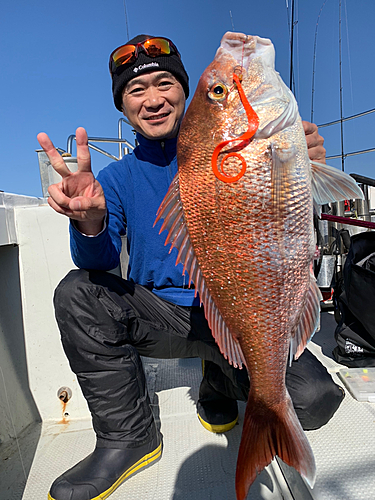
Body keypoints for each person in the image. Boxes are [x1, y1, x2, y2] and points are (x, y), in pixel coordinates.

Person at [37, 34, 344, 500]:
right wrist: (92, 220)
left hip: (237, 319)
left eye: (165, 83)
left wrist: (300, 161)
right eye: (136, 91)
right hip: (162, 315)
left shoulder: (238, 148)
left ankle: (218, 380)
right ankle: (129, 436)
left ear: (183, 91)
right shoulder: (115, 177)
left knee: (314, 400)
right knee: (78, 292)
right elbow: (98, 264)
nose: (154, 99)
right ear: (122, 105)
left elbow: (293, 213)